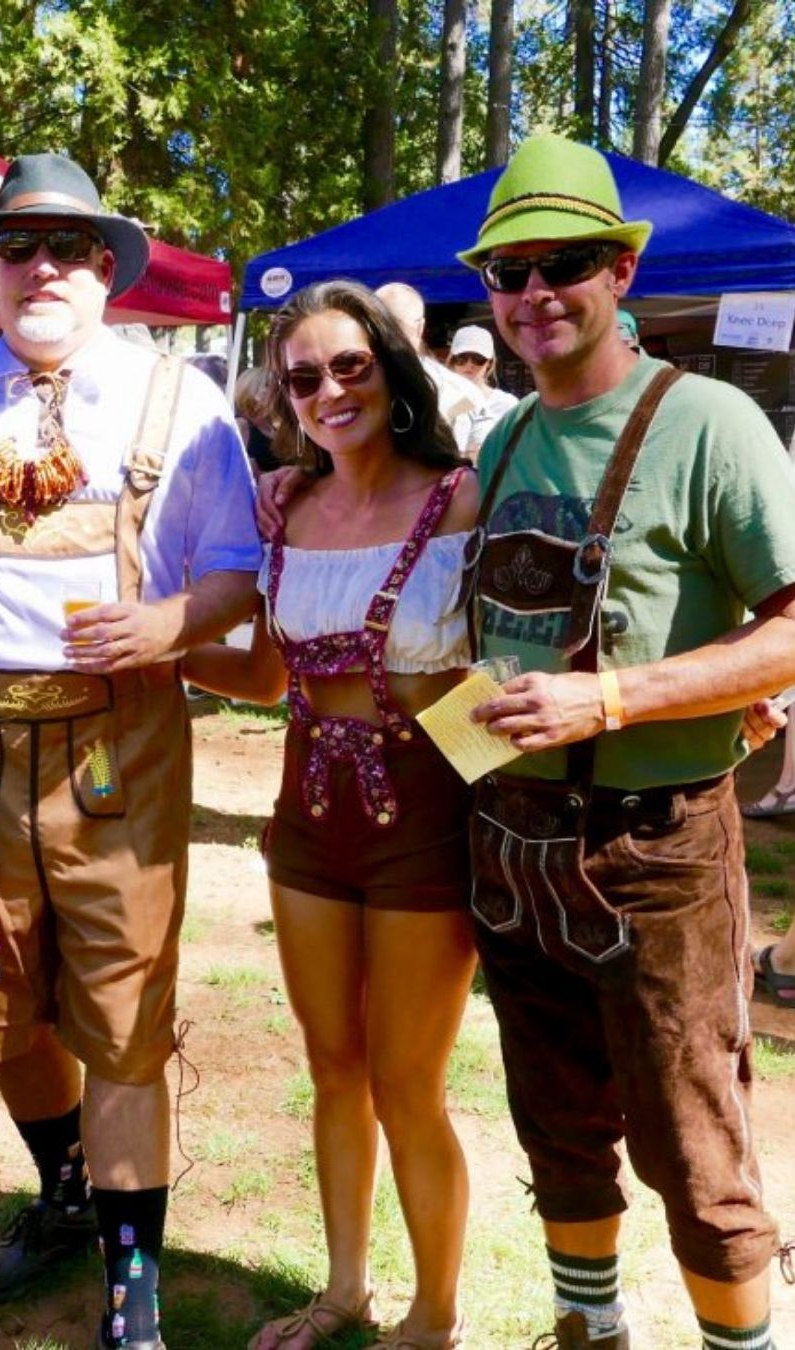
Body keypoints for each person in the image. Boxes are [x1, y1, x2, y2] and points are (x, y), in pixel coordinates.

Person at [0, 152, 261, 1349]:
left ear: (107, 272)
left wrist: (168, 622)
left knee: (121, 1013)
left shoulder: (183, 398)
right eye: (17, 248)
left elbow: (236, 572)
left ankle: (132, 1277)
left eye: (68, 248)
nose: (40, 266)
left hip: (125, 744)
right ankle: (62, 1191)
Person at [451, 133, 795, 1350]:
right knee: (555, 1127)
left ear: (625, 270)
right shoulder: (498, 441)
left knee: (696, 1147)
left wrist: (615, 699)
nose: (537, 292)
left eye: (568, 263)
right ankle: (587, 1334)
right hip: (510, 841)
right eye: (511, 270)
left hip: (658, 852)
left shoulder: (709, 425)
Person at [185, 279, 477, 1350]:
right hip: (306, 829)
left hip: (426, 826)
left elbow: (509, 664)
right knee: (334, 1068)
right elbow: (266, 678)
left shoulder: (463, 496)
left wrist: (475, 791)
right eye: (304, 376)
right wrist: (154, 643)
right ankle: (345, 1292)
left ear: (393, 371)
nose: (328, 391)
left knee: (408, 1082)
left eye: (350, 366)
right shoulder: (288, 508)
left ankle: (434, 1317)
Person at [373, 283, 483, 429]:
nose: (387, 335)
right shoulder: (465, 394)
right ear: (421, 327)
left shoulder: (463, 396)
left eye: (396, 326)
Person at [445, 324, 519, 460]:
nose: (469, 364)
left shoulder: (508, 404)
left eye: (478, 359)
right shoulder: (439, 400)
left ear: (489, 363)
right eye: (462, 358)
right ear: (452, 360)